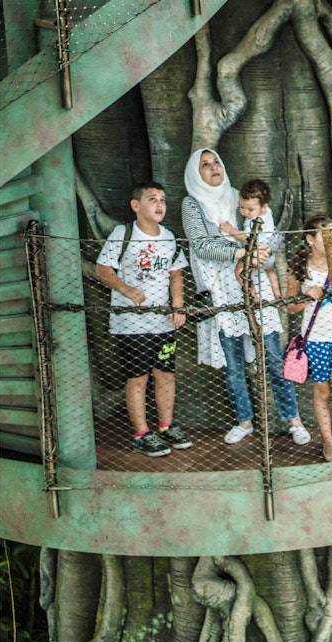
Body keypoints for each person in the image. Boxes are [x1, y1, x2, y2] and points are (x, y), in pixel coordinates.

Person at [181, 148, 310, 446]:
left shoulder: (240, 198)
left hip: (255, 283)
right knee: (233, 361)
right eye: (205, 165)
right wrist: (241, 252)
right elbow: (202, 246)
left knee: (274, 357)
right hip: (221, 290)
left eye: (216, 161)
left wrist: (255, 255)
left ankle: (293, 420)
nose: (214, 167)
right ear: (194, 173)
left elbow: (268, 240)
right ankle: (244, 420)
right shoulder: (193, 204)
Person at [95, 181, 191, 456]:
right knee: (138, 377)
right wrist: (125, 288)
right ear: (136, 206)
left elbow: (176, 274)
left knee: (166, 374)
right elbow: (103, 269)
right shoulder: (123, 233)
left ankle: (166, 427)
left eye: (162, 199)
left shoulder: (169, 237)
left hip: (162, 321)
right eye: (152, 199)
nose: (159, 204)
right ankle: (141, 434)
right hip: (131, 323)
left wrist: (178, 306)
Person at [286, 215, 332, 461]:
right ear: (310, 239)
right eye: (327, 237)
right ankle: (327, 440)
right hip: (315, 339)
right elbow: (290, 307)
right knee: (322, 391)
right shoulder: (299, 267)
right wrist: (308, 297)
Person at [221, 179, 283, 302]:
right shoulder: (267, 213)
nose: (245, 212)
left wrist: (231, 231)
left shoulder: (254, 221)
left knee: (240, 271)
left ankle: (253, 295)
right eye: (242, 207)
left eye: (250, 209)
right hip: (269, 255)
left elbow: (247, 238)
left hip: (258, 255)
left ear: (263, 207)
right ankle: (277, 294)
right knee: (270, 271)